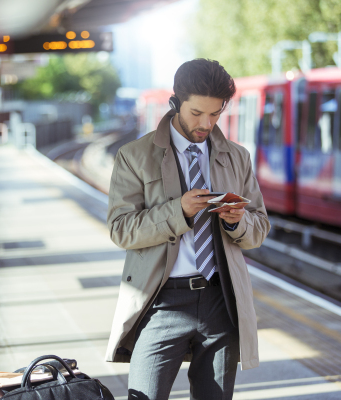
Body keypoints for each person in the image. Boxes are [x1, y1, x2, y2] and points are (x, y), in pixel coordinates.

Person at [105, 59, 270, 400]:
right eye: (197, 113)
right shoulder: (135, 156)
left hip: (220, 299)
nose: (206, 123)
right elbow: (120, 230)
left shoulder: (237, 157)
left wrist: (237, 221)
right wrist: (177, 210)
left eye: (215, 114)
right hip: (161, 301)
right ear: (176, 102)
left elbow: (260, 228)